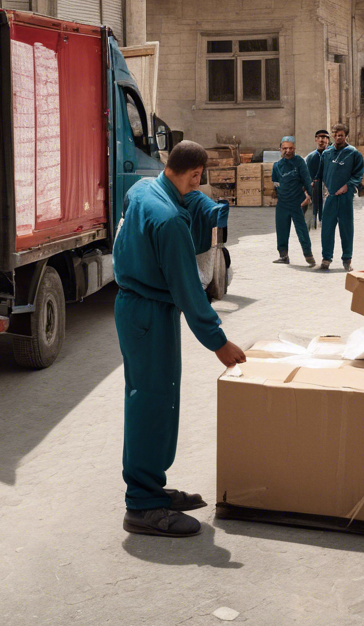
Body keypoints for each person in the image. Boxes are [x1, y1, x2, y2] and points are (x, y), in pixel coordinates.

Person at [112, 140, 246, 537]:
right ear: (195, 173)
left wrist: (202, 205)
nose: (196, 188)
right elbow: (190, 290)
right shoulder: (170, 222)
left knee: (155, 398)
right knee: (152, 405)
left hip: (136, 306)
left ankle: (152, 487)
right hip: (150, 312)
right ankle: (142, 505)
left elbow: (173, 205)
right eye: (198, 182)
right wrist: (218, 342)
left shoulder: (142, 189)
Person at [319, 123, 364, 271]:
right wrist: (324, 188)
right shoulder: (326, 153)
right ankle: (326, 259)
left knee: (346, 229)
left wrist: (347, 186)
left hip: (345, 197)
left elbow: (358, 174)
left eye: (341, 135)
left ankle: (347, 259)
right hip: (330, 197)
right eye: (336, 135)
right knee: (327, 228)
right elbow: (321, 173)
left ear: (346, 136)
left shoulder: (353, 153)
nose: (339, 138)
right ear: (333, 135)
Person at [271, 136, 315, 266]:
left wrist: (310, 196)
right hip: (282, 204)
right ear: (280, 149)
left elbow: (307, 180)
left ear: (294, 148)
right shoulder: (277, 166)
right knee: (281, 230)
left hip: (297, 203)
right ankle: (283, 256)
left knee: (302, 230)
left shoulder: (300, 162)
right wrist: (277, 195)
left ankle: (308, 255)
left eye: (290, 148)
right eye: (285, 148)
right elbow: (275, 182)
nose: (288, 151)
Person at [304, 129, 330, 228]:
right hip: (314, 187)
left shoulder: (333, 155)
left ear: (328, 140)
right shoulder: (310, 157)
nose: (321, 140)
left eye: (323, 138)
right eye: (318, 138)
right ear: (315, 140)